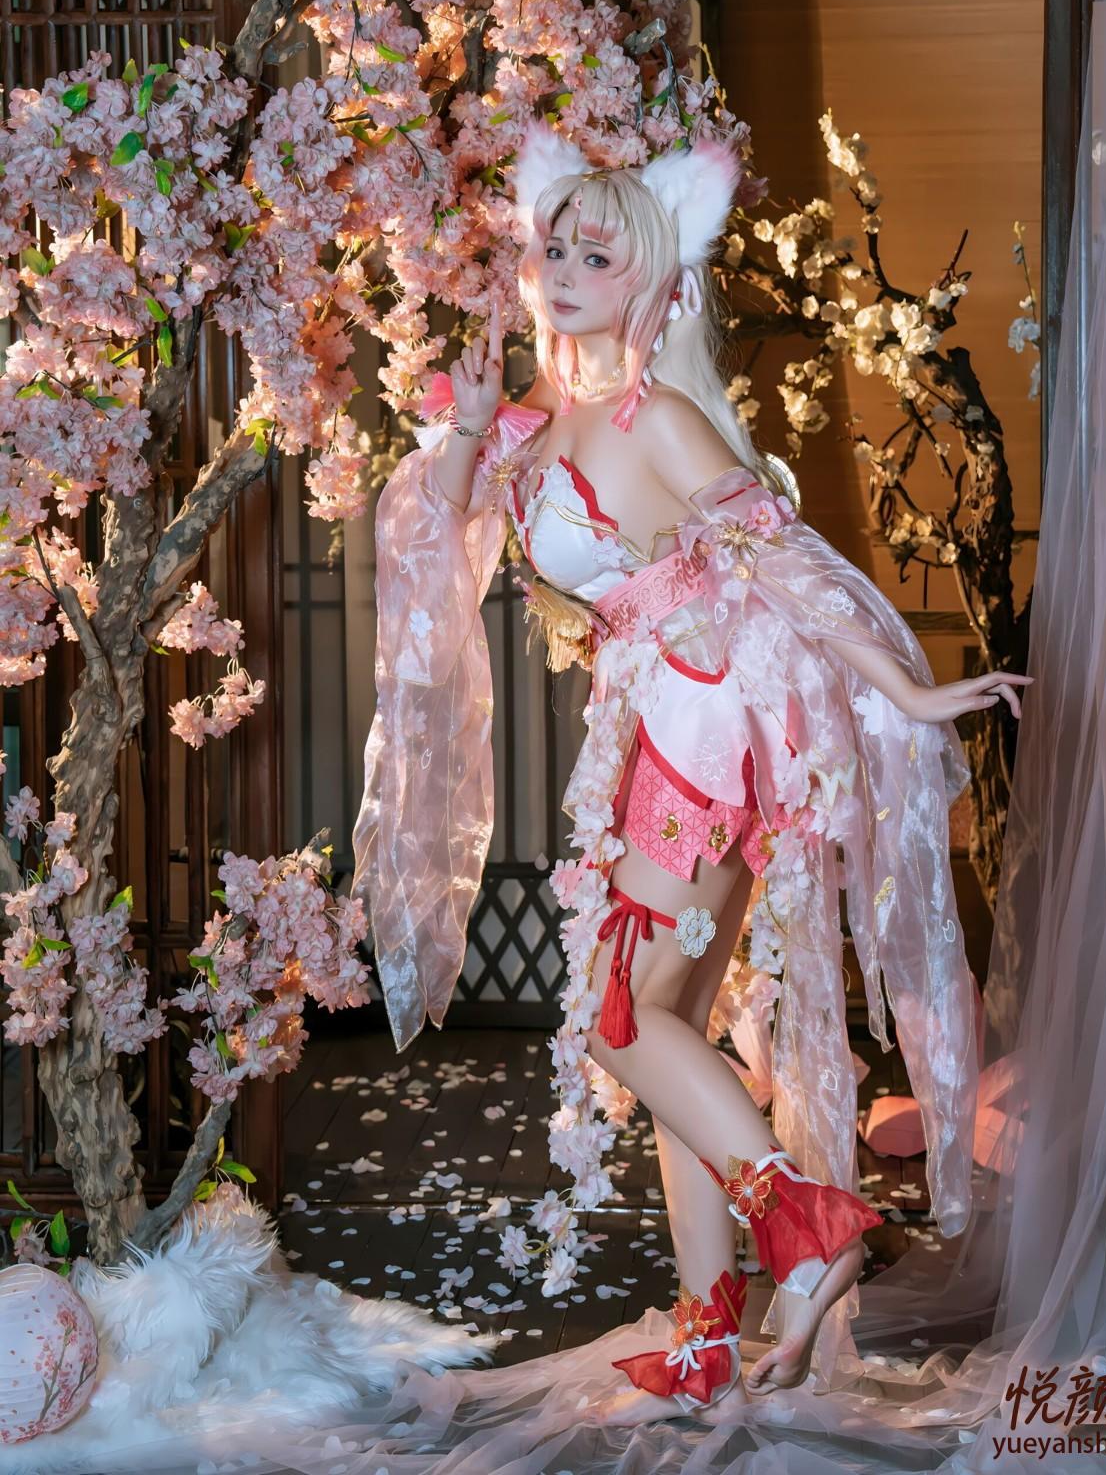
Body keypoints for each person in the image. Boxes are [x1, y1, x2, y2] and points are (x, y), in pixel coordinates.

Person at [352, 122, 1030, 1413]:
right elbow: (441, 540)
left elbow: (787, 559)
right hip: (658, 715)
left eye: (596, 256)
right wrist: (471, 431)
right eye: (554, 249)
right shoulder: (544, 423)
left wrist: (905, 687)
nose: (563, 274)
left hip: (707, 721)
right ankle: (710, 1325)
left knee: (624, 1017)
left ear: (655, 280)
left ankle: (806, 1223)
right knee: (670, 1021)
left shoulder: (657, 419)